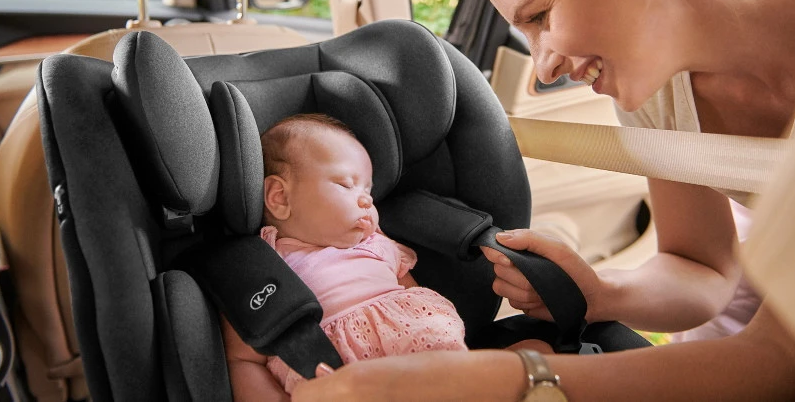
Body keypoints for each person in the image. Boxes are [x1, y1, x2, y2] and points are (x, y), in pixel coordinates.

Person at [284, 0, 795, 399]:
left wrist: (505, 378)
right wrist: (600, 293)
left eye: (540, 16)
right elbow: (702, 269)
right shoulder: (658, 79)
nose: (545, 66)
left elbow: (784, 362)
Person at [221, 113, 551, 401]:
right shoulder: (261, 264)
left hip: (428, 358)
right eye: (346, 184)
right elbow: (244, 359)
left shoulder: (379, 245)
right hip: (333, 372)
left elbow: (413, 297)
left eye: (368, 190)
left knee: (538, 351)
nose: (366, 200)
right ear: (280, 197)